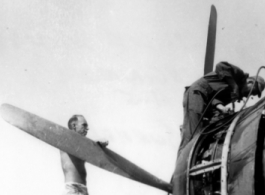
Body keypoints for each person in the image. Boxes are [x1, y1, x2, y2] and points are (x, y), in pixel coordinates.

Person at [179, 61, 265, 152]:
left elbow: (214, 99)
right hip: (198, 93)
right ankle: (184, 157)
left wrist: (222, 108)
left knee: (205, 132)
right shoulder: (239, 75)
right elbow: (221, 66)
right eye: (252, 92)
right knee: (192, 132)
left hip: (206, 99)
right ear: (250, 82)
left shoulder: (233, 96)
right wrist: (234, 86)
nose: (250, 95)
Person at [60, 115, 108, 195]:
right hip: (73, 189)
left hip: (83, 189)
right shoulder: (66, 139)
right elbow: (77, 144)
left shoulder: (83, 146)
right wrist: (96, 144)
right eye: (84, 125)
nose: (87, 128)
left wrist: (100, 148)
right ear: (74, 126)